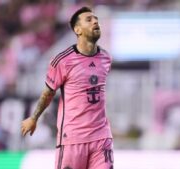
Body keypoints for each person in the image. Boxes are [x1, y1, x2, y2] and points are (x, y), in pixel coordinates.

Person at [21, 7, 114, 169]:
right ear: (77, 30)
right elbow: (48, 93)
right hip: (73, 138)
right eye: (89, 19)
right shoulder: (63, 61)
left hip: (101, 137)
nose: (95, 22)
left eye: (96, 19)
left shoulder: (106, 58)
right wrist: (34, 118)